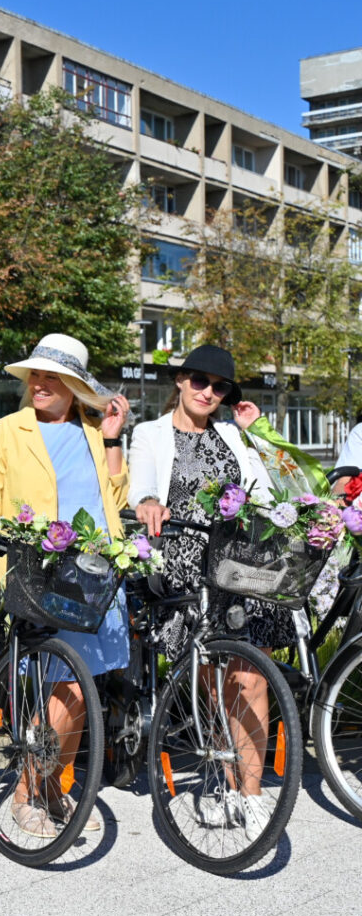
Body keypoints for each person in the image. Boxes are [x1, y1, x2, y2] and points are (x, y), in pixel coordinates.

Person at [0, 333, 131, 839]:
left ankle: (50, 787)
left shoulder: (96, 432)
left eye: (52, 377)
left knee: (80, 689)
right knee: (67, 686)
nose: (40, 383)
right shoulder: (6, 432)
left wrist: (115, 438)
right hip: (37, 572)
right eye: (36, 374)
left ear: (75, 387)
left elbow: (115, 501)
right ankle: (29, 791)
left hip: (95, 573)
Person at [129, 344, 285, 840]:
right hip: (185, 564)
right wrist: (150, 502)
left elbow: (267, 492)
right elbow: (142, 486)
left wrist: (256, 433)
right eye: (199, 381)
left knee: (252, 677)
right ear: (179, 380)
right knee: (212, 680)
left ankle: (252, 794)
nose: (208, 393)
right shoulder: (150, 433)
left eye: (219, 387)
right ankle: (220, 778)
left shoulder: (233, 435)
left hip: (237, 566)